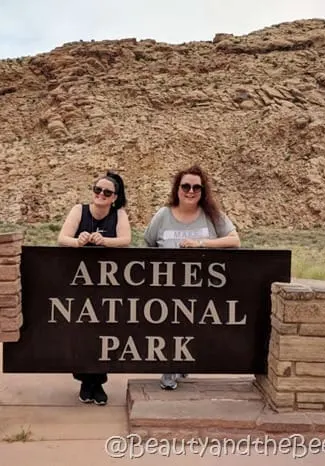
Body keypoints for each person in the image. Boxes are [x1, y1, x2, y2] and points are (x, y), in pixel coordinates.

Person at [143, 164, 240, 390]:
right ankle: (169, 372)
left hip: (202, 288)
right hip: (167, 289)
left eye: (196, 187)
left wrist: (201, 244)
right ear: (177, 189)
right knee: (170, 328)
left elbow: (234, 241)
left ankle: (182, 364)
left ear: (203, 191)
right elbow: (148, 245)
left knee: (193, 329)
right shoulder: (162, 215)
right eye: (185, 186)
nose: (190, 191)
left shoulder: (212, 216)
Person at [57, 171, 131, 405]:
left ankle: (96, 383)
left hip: (106, 284)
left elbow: (126, 239)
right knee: (81, 332)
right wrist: (78, 241)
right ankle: (87, 382)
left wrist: (104, 241)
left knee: (103, 332)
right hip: (80, 282)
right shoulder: (79, 211)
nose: (100, 194)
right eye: (97, 190)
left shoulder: (118, 214)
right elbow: (63, 238)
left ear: (114, 197)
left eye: (106, 192)